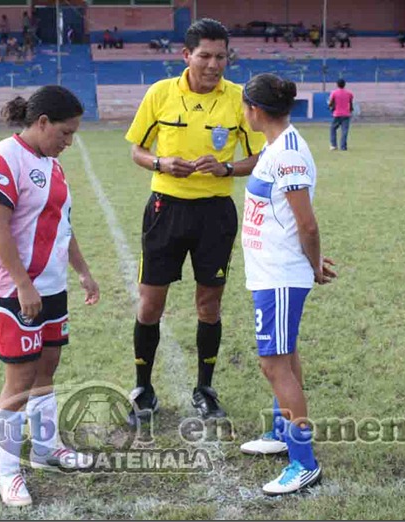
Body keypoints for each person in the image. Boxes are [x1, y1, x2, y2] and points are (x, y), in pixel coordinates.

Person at [123, 18, 265, 426]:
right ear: (185, 55)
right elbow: (137, 150)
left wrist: (226, 168)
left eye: (221, 56)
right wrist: (161, 162)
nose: (213, 64)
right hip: (165, 209)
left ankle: (205, 389)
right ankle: (143, 389)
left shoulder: (240, 99)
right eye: (204, 55)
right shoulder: (161, 93)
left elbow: (256, 158)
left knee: (210, 304)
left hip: (216, 214)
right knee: (151, 303)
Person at [0, 85, 99, 507]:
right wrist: (23, 285)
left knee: (47, 368)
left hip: (52, 286)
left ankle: (47, 448)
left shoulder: (52, 164)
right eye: (65, 133)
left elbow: (63, 224)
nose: (68, 142)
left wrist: (82, 271)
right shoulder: (3, 159)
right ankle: (6, 473)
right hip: (14, 290)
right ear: (41, 122)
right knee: (19, 380)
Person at [237, 72, 336, 495]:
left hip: (281, 274)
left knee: (273, 364)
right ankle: (282, 434)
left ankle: (303, 462)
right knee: (286, 354)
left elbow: (307, 224)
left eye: (245, 107)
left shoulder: (289, 154)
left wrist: (313, 264)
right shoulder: (275, 146)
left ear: (255, 110)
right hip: (270, 271)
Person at [328, 78, 354, 151]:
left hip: (337, 114)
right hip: (346, 114)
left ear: (337, 85)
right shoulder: (349, 93)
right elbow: (351, 103)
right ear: (344, 85)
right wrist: (351, 110)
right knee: (344, 131)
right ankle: (343, 147)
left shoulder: (334, 93)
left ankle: (333, 145)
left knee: (333, 129)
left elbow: (330, 103)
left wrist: (330, 107)